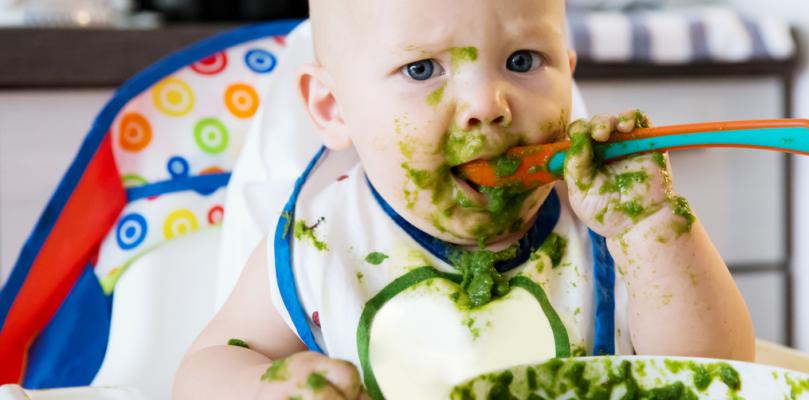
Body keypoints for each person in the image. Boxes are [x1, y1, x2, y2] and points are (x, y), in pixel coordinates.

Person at [174, 0, 754, 398]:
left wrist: (651, 229)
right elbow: (205, 370)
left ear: (568, 75)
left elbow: (721, 375)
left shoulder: (606, 230)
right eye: (422, 68)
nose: (486, 103)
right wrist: (267, 387)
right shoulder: (325, 239)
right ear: (333, 108)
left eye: (523, 61)